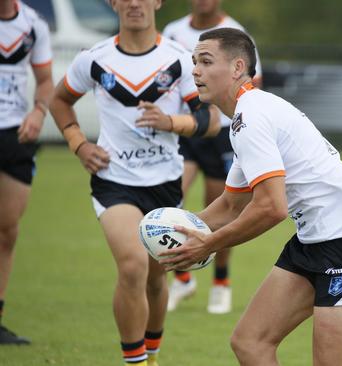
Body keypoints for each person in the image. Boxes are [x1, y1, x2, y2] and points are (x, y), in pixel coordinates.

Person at [160, 28, 342, 366]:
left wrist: (209, 244)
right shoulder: (245, 117)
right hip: (313, 240)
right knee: (250, 343)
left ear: (237, 67)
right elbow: (231, 204)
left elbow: (272, 208)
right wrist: (179, 230)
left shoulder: (251, 117)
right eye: (194, 62)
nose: (195, 70)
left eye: (205, 61)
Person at [48, 0, 220, 364]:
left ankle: (152, 355)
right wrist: (79, 144)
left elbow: (212, 118)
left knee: (156, 280)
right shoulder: (94, 59)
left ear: (156, 1)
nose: (134, 3)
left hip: (164, 184)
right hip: (114, 181)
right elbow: (60, 100)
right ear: (113, 3)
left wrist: (171, 122)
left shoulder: (177, 59)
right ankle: (136, 362)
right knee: (131, 266)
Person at [162, 0, 263, 315]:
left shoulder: (234, 32)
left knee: (222, 207)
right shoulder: (173, 30)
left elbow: (252, 82)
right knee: (172, 197)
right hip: (190, 129)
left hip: (222, 132)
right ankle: (182, 277)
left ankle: (220, 282)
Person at [0, 0, 53, 345]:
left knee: (7, 230)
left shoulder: (33, 25)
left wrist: (38, 111)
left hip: (14, 134)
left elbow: (46, 80)